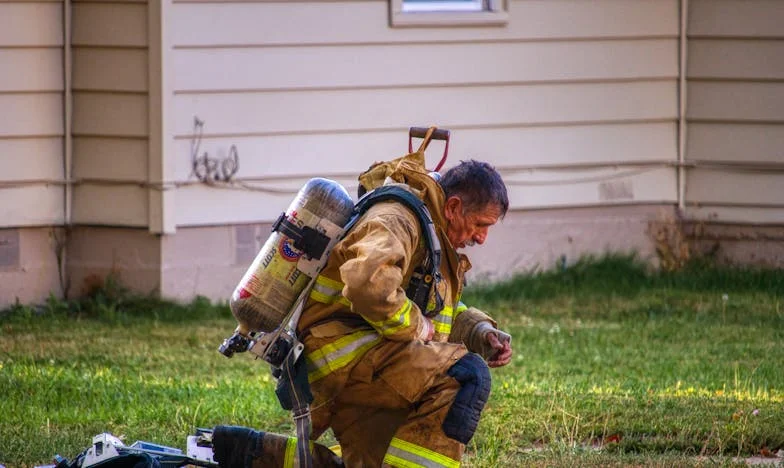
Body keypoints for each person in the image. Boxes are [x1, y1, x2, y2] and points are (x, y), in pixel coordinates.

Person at [213, 149, 512, 467]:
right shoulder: (398, 220)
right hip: (347, 359)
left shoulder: (430, 233)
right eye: (480, 224)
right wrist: (416, 327)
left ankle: (248, 453)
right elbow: (366, 282)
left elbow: (438, 309)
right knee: (466, 375)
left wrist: (481, 331)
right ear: (453, 207)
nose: (481, 237)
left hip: (369, 361)